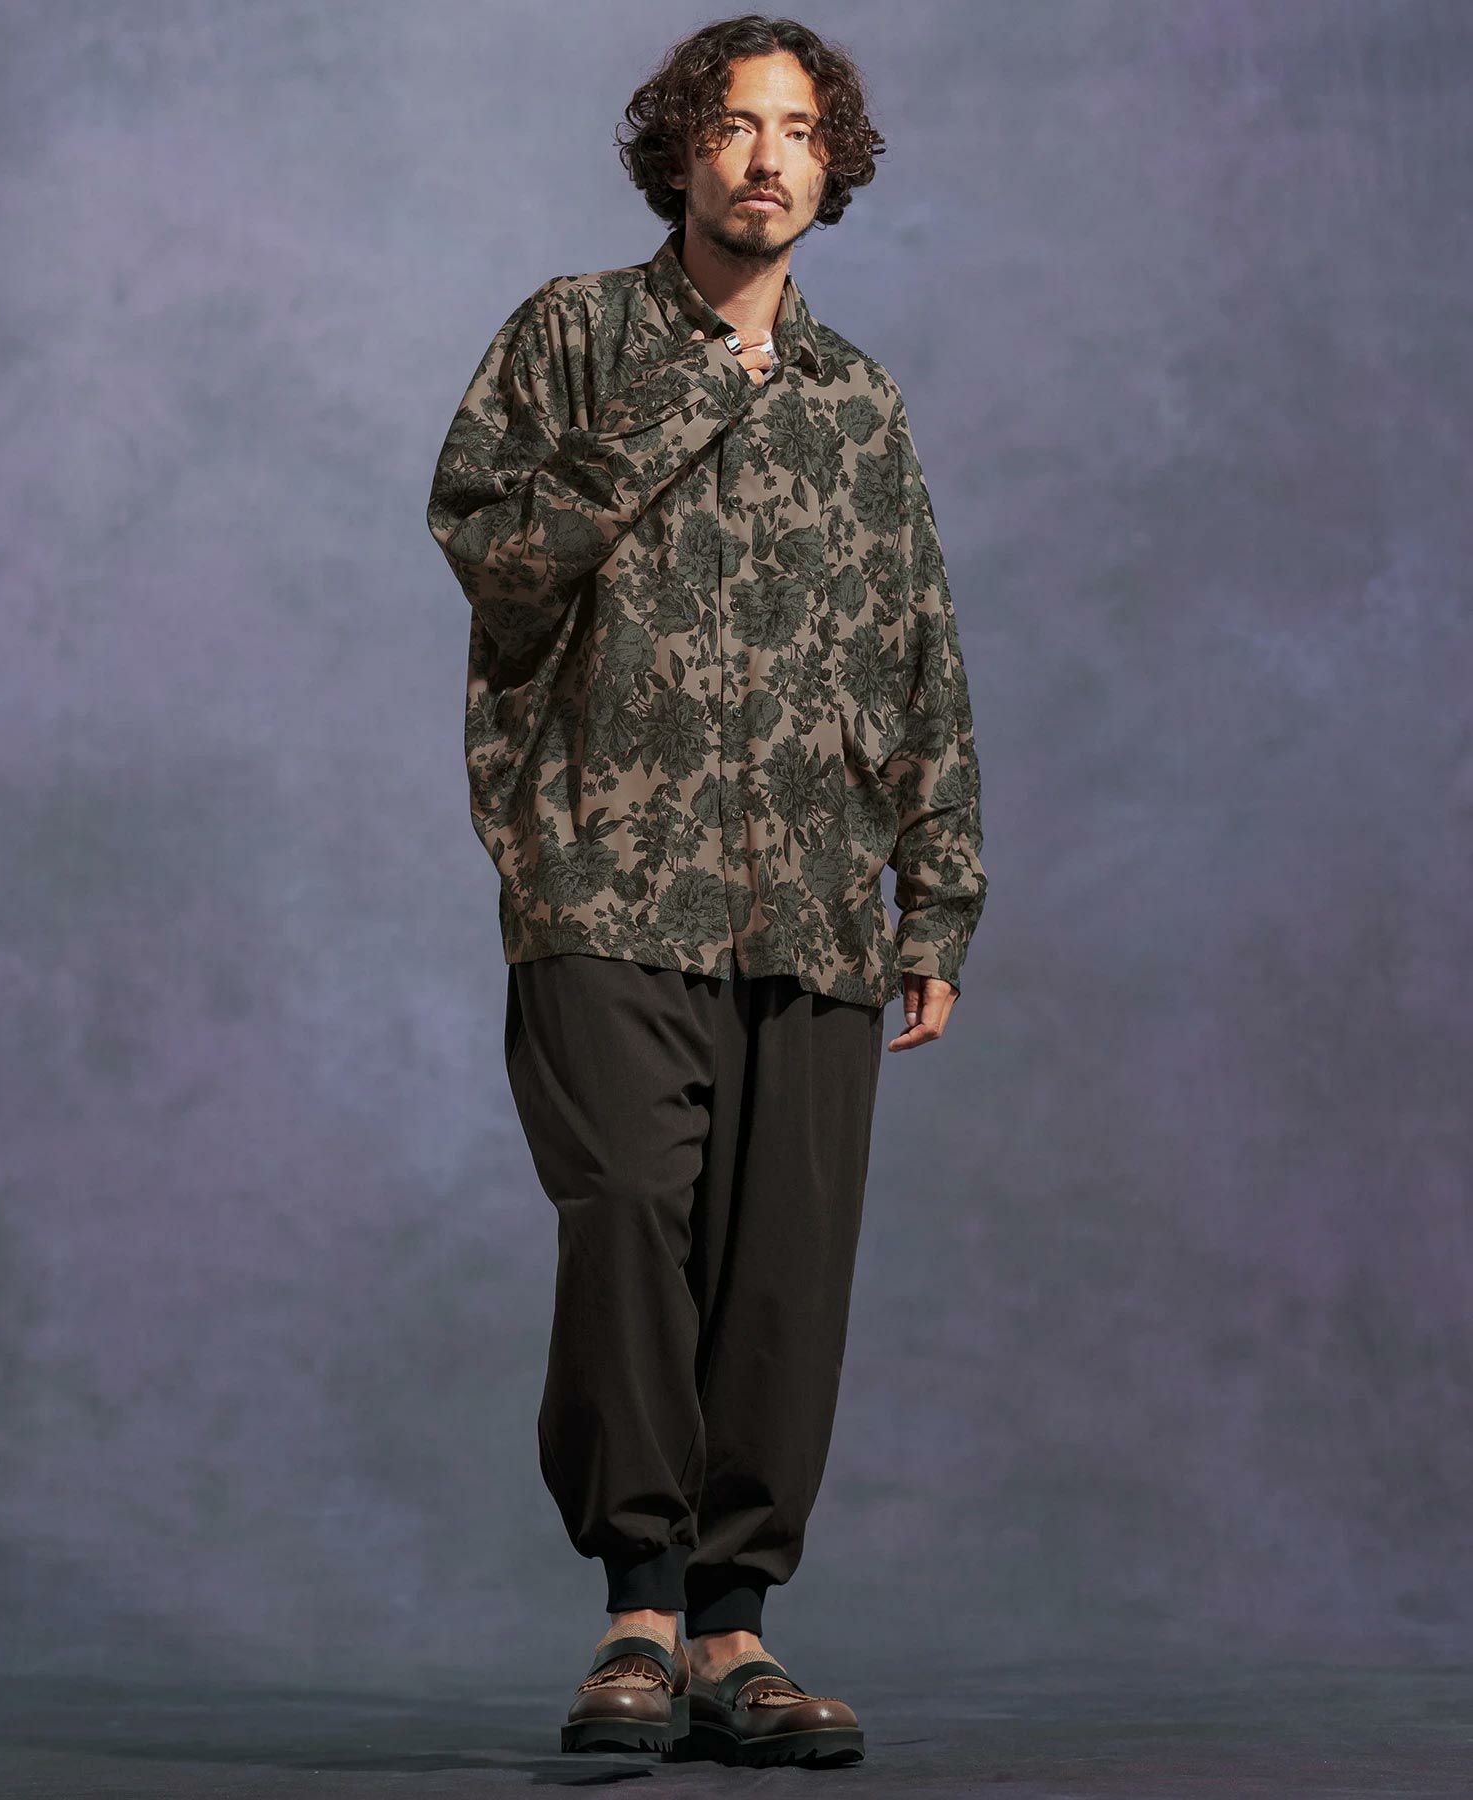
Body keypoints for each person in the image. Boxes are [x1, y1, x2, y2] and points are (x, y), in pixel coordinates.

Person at [425, 13, 988, 1770]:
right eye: (735, 125)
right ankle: (640, 1613)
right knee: (622, 1217)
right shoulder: (573, 338)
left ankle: (739, 1632)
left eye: (799, 131)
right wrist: (691, 394)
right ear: (678, 148)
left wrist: (938, 895)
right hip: (603, 875)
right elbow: (496, 559)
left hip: (813, 900)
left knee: (782, 1271)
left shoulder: (859, 400)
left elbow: (920, 650)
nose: (766, 157)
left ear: (833, 166)